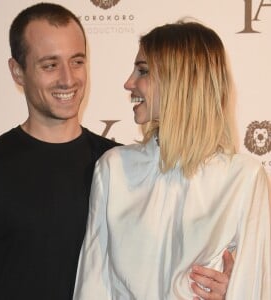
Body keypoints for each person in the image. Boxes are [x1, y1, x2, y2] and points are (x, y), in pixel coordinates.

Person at [0, 3, 233, 299]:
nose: (68, 79)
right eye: (50, 65)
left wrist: (227, 290)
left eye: (77, 61)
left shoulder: (123, 168)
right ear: (17, 71)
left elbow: (166, 271)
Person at [73, 20, 271, 299]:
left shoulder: (243, 178)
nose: (129, 83)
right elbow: (93, 284)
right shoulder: (113, 168)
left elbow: (255, 288)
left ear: (180, 79)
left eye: (143, 71)